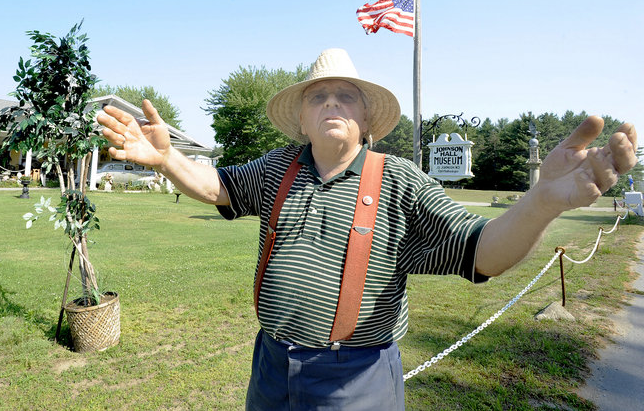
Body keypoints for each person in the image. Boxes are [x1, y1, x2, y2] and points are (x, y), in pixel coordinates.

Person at [97, 48, 637, 410]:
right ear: (303, 119)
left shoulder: (401, 182)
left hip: (355, 379)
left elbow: (483, 252)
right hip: (270, 365)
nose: (330, 102)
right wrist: (168, 161)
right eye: (317, 96)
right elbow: (219, 187)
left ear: (367, 121)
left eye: (345, 95)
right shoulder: (276, 167)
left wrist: (541, 202)